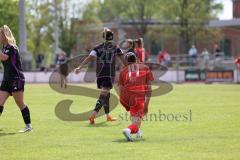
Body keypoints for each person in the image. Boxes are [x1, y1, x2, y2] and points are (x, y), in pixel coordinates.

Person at [74, 28, 127, 124]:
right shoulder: (116, 47)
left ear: (104, 37)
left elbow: (89, 58)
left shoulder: (97, 48)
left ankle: (107, 116)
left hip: (99, 74)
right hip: (109, 73)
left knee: (106, 94)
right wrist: (130, 68)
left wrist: (80, 67)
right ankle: (93, 115)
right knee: (103, 95)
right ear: (112, 37)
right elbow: (123, 60)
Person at [0, 25, 32, 132]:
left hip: (16, 79)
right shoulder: (3, 48)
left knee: (19, 103)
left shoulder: (12, 48)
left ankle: (28, 126)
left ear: (5, 35)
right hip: (6, 79)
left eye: (0, 35)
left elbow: (4, 57)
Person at [118, 52, 154, 141]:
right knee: (137, 120)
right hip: (138, 96)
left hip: (124, 97)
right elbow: (149, 87)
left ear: (126, 61)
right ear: (136, 60)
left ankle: (138, 133)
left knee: (135, 114)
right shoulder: (145, 68)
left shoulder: (123, 71)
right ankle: (128, 130)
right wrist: (146, 104)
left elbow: (120, 88)